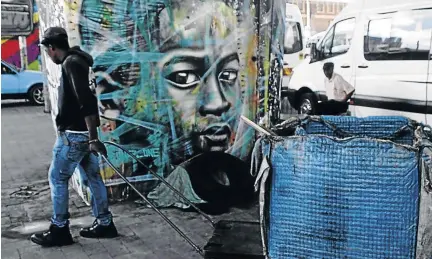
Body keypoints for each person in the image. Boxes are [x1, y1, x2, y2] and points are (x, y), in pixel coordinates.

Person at [30, 27, 118, 247]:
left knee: (57, 178)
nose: (48, 56)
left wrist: (92, 138)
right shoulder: (79, 61)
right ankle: (105, 223)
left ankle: (59, 229)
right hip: (83, 136)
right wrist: (91, 137)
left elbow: (86, 103)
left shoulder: (71, 63)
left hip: (75, 136)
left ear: (52, 48)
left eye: (47, 51)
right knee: (92, 177)